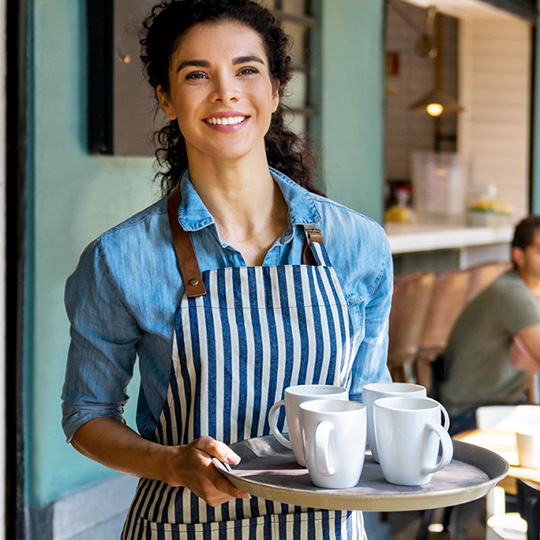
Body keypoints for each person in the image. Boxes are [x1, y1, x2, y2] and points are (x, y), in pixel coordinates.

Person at [61, 1, 393, 538]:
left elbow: (368, 396)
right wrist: (173, 464)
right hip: (182, 525)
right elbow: (86, 416)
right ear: (166, 99)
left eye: (246, 70)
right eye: (197, 75)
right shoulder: (120, 259)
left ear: (276, 90)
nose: (226, 92)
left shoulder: (358, 245)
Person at [440, 216, 540, 435]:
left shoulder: (531, 291)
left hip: (504, 407)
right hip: (469, 414)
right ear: (518, 255)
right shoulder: (512, 293)